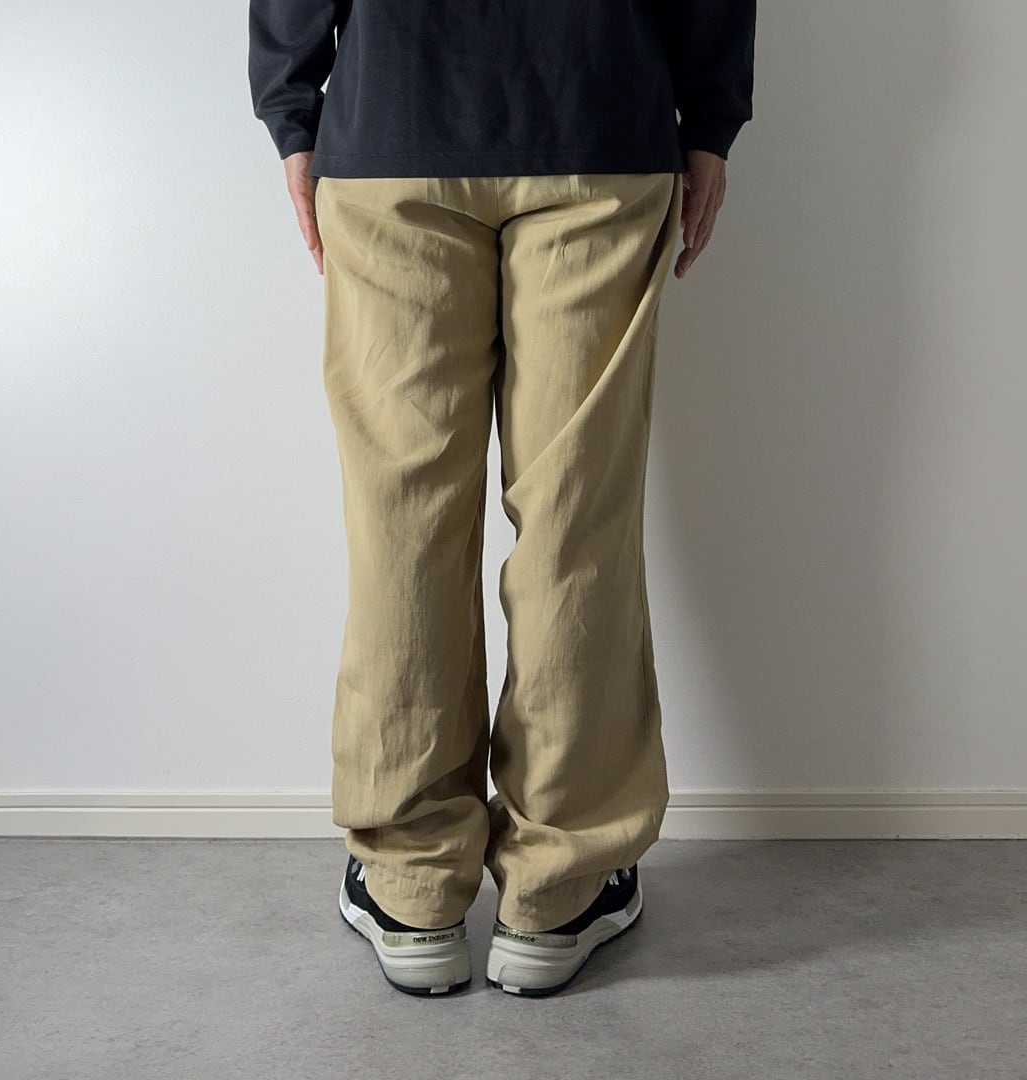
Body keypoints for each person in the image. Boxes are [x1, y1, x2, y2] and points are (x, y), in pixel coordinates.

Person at [248, 0, 756, 998]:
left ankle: (410, 885)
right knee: (577, 519)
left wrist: (291, 106)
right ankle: (559, 889)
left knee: (402, 520)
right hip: (597, 114)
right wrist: (709, 114)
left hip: (395, 123)